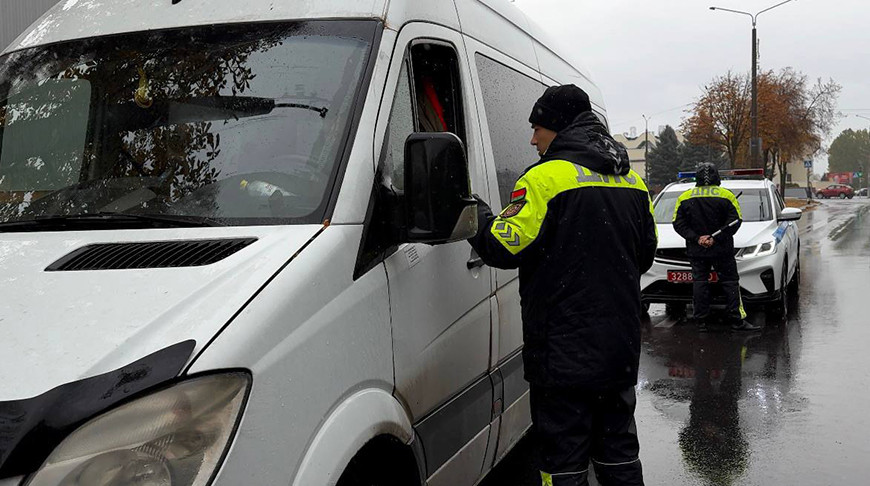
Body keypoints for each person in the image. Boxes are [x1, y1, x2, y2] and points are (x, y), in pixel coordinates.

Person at [468, 84, 657, 486]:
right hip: (618, 351)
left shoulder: (544, 179)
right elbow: (645, 257)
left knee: (564, 461)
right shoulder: (634, 184)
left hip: (563, 356)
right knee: (619, 453)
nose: (532, 137)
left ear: (559, 127)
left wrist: (476, 215)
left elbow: (501, 247)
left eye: (538, 127)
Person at [672, 163, 759, 332]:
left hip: (697, 249)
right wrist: (716, 238)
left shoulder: (684, 197)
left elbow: (678, 223)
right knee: (730, 282)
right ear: (717, 177)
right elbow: (736, 220)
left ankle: (701, 322)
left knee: (700, 283)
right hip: (722, 248)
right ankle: (736, 320)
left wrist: (697, 238)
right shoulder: (726, 196)